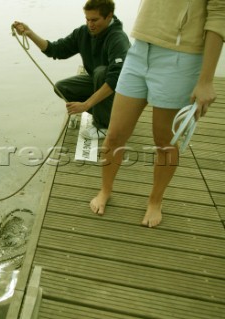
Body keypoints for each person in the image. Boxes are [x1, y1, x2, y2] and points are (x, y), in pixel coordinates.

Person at [90, 0, 224, 227]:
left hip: (182, 57)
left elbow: (220, 14)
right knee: (114, 135)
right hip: (140, 48)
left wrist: (206, 80)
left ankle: (155, 201)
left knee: (164, 141)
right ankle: (105, 190)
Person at [13, 0, 130, 139]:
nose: (90, 25)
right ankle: (106, 114)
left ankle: (104, 125)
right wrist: (29, 33)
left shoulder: (118, 38)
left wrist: (86, 105)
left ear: (109, 16)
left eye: (94, 20)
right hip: (99, 82)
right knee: (61, 87)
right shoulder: (82, 32)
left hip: (123, 93)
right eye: (87, 19)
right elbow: (55, 50)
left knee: (101, 72)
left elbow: (116, 79)